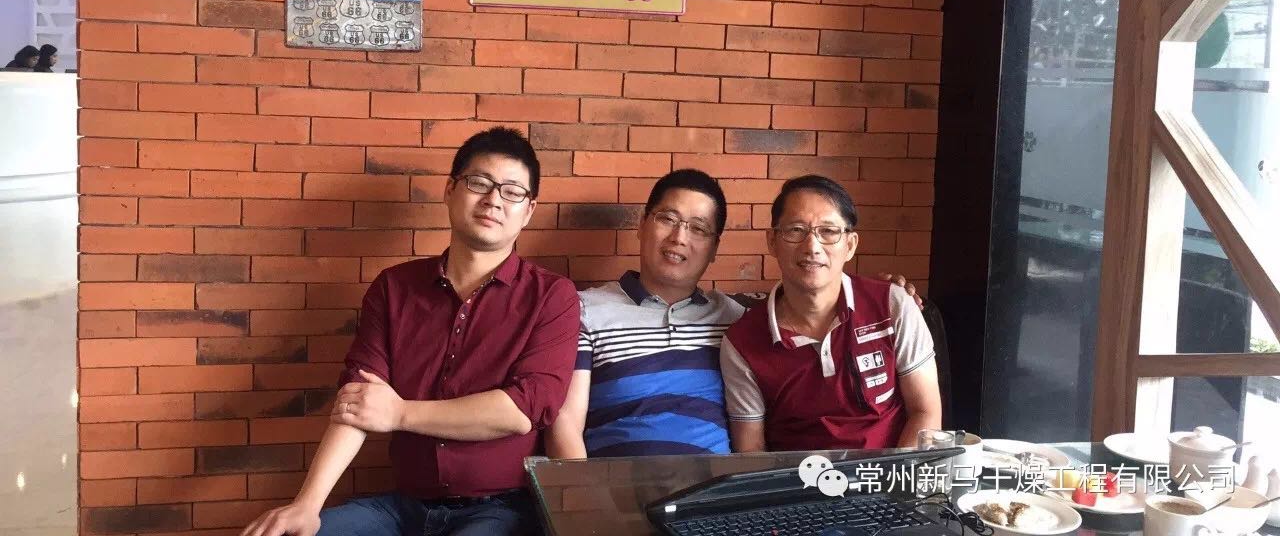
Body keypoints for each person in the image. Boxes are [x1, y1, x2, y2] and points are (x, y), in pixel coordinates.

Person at [240, 127, 580, 536]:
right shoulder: (394, 288)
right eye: (479, 183)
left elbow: (523, 411)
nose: (493, 200)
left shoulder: (552, 296)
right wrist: (307, 505)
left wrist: (400, 413)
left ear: (528, 211)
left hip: (501, 509)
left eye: (512, 192)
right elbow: (359, 401)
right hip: (404, 508)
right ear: (450, 190)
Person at [545, 170, 924, 459]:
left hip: (711, 495)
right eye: (668, 219)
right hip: (616, 488)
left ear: (713, 249)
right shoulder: (584, 310)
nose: (679, 237)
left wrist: (890, 295)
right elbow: (565, 424)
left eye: (698, 228)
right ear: (642, 225)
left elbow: (810, 304)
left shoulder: (737, 321)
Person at [720, 175, 941, 453]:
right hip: (798, 478)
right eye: (796, 230)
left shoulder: (892, 305)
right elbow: (751, 450)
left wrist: (896, 476)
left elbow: (925, 412)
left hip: (887, 473)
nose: (812, 247)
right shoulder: (742, 342)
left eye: (828, 231)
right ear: (772, 241)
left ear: (850, 245)